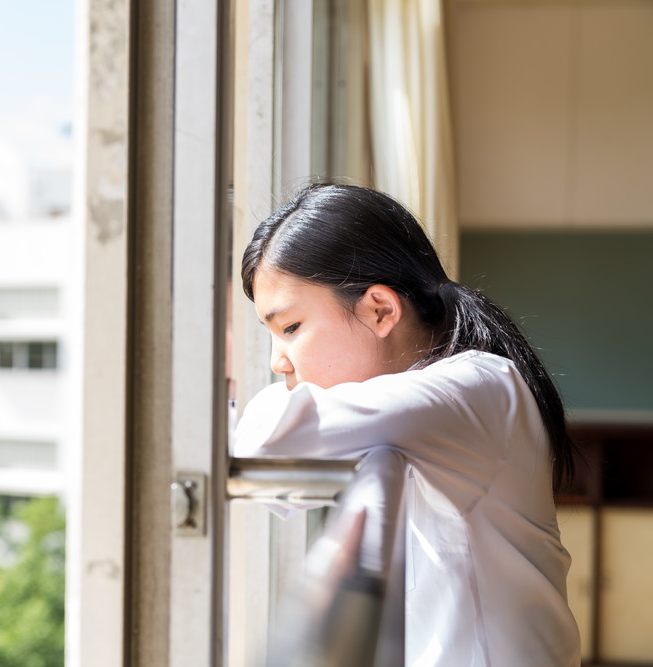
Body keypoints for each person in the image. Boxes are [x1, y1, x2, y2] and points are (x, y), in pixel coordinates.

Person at [234, 183, 581, 665]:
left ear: (380, 309)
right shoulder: (412, 405)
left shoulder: (475, 387)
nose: (279, 363)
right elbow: (277, 486)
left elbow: (265, 448)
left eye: (290, 328)